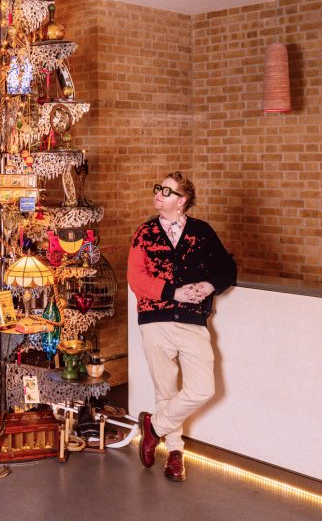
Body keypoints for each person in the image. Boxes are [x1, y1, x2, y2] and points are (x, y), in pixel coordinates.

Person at [127, 171, 236, 482]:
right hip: (155, 320)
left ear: (183, 200)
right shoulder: (145, 233)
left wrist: (210, 284)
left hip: (192, 321)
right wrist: (171, 292)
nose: (158, 194)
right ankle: (175, 453)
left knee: (203, 388)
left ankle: (153, 428)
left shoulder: (201, 232)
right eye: (158, 189)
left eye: (167, 191)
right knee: (166, 390)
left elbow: (227, 266)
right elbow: (136, 278)